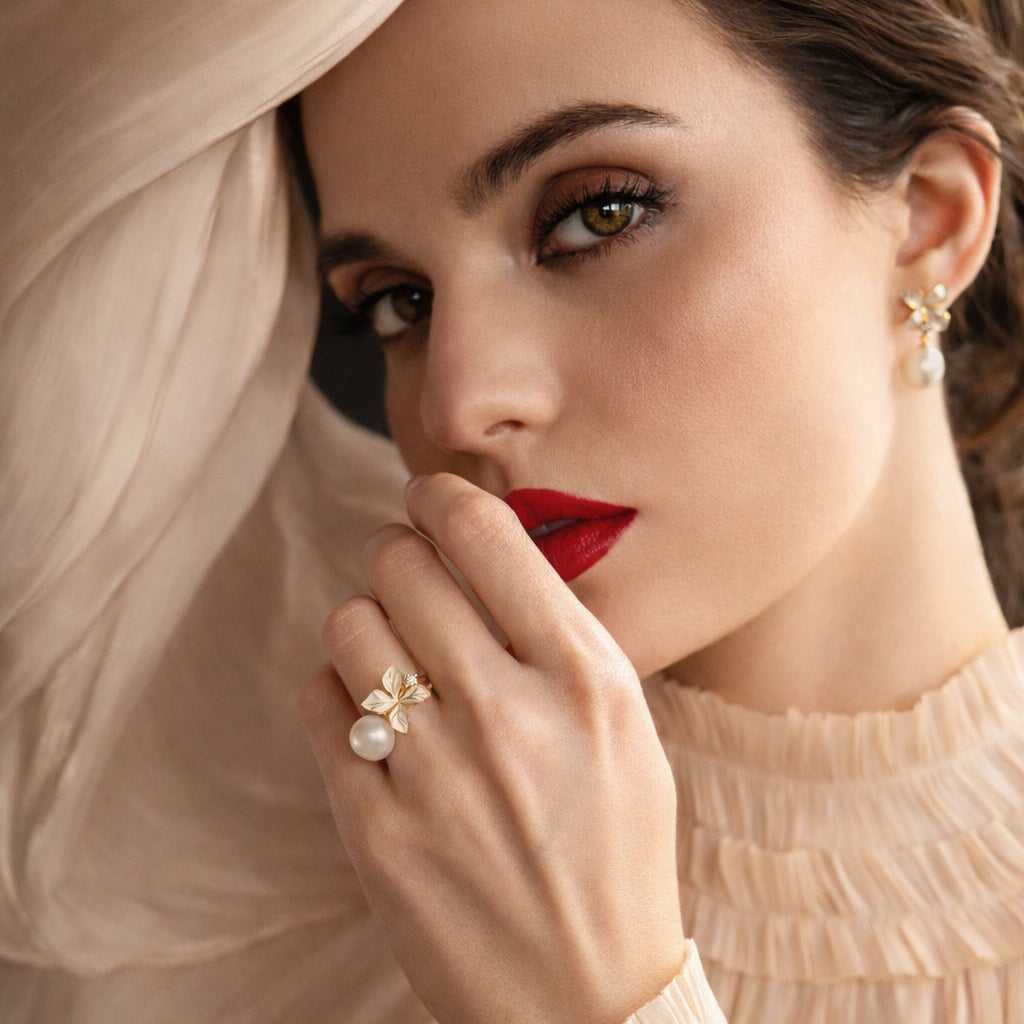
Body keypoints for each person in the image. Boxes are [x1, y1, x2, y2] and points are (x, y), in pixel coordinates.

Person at [1, 2, 1022, 1024]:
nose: (456, 404)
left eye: (596, 215)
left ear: (930, 218)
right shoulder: (257, 865)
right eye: (399, 301)